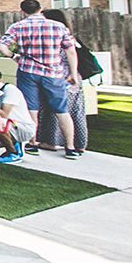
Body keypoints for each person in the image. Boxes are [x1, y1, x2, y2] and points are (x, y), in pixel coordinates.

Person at [0, 0, 81, 158]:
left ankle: (32, 143)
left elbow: (1, 46)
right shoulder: (58, 26)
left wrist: (14, 56)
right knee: (62, 110)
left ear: (22, 11)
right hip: (53, 72)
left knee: (31, 108)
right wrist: (73, 74)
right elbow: (70, 51)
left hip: (28, 70)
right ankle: (70, 147)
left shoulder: (18, 26)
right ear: (41, 9)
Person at [31, 9, 90, 154]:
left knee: (53, 110)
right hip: (74, 75)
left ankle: (50, 141)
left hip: (56, 75)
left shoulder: (53, 38)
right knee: (76, 111)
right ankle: (79, 143)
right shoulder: (71, 37)